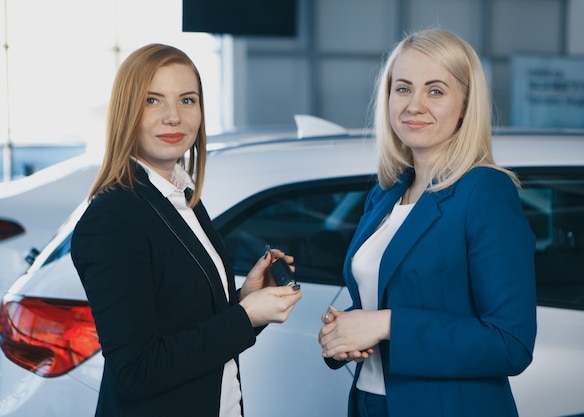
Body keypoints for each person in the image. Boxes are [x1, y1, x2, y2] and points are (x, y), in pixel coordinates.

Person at [71, 43, 302, 417]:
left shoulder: (181, 198)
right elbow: (138, 371)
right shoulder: (114, 217)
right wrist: (246, 317)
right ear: (126, 110)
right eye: (152, 101)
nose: (174, 117)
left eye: (187, 100)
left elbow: (188, 324)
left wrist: (245, 299)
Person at [318, 28, 536, 417]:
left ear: (466, 104)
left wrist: (386, 325)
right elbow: (389, 297)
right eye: (402, 89)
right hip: (371, 403)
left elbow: (510, 343)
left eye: (435, 91)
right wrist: (345, 332)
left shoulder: (484, 191)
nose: (414, 105)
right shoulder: (386, 194)